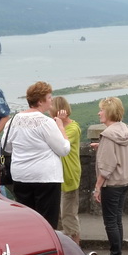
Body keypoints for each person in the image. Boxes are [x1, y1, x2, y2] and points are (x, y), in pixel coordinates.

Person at [0, 82, 69, 228]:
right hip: (45, 177)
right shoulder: (46, 122)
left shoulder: (12, 121)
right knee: (47, 222)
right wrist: (61, 128)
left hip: (21, 176)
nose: (51, 100)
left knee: (27, 221)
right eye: (49, 97)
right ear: (40, 101)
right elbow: (63, 149)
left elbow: (6, 147)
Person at [91, 97, 128, 255]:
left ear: (109, 112)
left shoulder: (108, 135)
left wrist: (97, 188)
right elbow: (120, 151)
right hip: (125, 181)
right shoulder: (124, 129)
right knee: (117, 220)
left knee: (110, 221)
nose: (99, 112)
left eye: (102, 109)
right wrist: (101, 145)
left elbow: (106, 167)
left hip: (112, 184)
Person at [52, 96, 82, 245]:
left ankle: (75, 247)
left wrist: (60, 125)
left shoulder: (72, 128)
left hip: (69, 175)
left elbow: (63, 144)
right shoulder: (56, 126)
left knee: (68, 215)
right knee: (57, 215)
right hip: (57, 176)